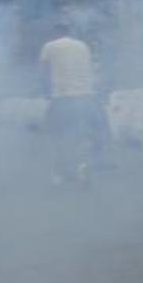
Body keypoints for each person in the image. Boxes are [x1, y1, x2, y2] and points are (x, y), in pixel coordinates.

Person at [39, 23, 100, 186]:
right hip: (86, 97)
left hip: (62, 98)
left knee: (57, 136)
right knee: (82, 135)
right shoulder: (83, 46)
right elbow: (91, 70)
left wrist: (45, 93)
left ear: (56, 33)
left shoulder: (49, 46)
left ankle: (59, 173)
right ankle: (82, 169)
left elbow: (44, 73)